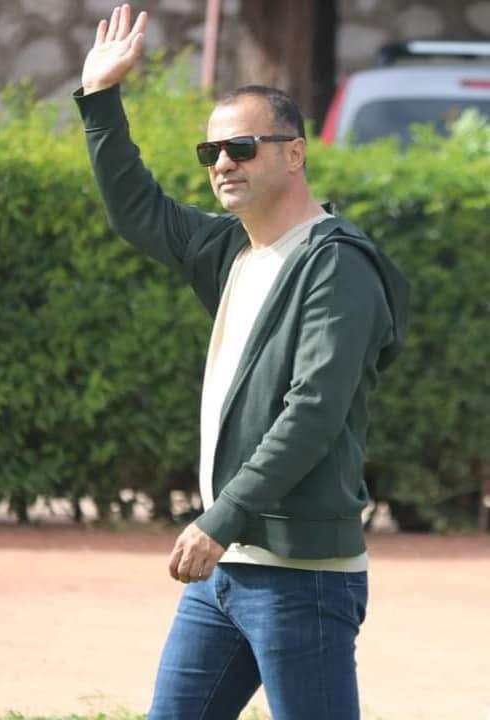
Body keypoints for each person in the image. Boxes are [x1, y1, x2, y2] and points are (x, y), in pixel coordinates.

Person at [74, 5, 410, 719]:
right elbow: (139, 212)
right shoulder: (232, 249)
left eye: (243, 147)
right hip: (226, 571)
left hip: (300, 574)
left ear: (294, 154)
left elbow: (312, 412)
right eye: (213, 152)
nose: (223, 162)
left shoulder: (336, 265)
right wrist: (101, 98)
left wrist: (219, 518)